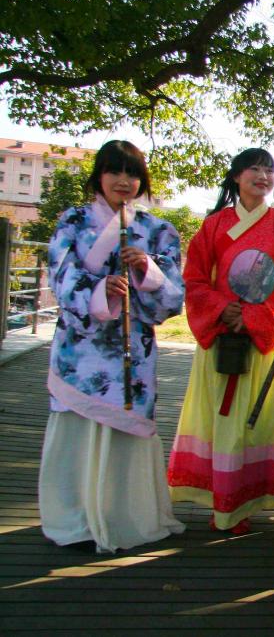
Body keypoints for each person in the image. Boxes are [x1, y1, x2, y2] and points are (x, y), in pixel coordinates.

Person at [41, 140, 186, 552]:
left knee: (126, 428)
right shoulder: (73, 221)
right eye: (114, 171)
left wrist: (147, 270)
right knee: (77, 429)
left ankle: (125, 516)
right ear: (98, 176)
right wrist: (100, 288)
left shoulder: (158, 230)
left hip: (132, 351)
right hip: (80, 350)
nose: (124, 181)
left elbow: (173, 297)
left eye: (132, 173)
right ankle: (75, 517)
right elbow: (60, 277)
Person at [167, 148, 274, 534]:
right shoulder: (214, 225)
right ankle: (223, 503)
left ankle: (247, 500)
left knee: (257, 422)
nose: (263, 176)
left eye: (269, 170)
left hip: (261, 338)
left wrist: (253, 315)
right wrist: (222, 309)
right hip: (221, 336)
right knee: (221, 418)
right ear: (236, 177)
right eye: (254, 169)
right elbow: (195, 277)